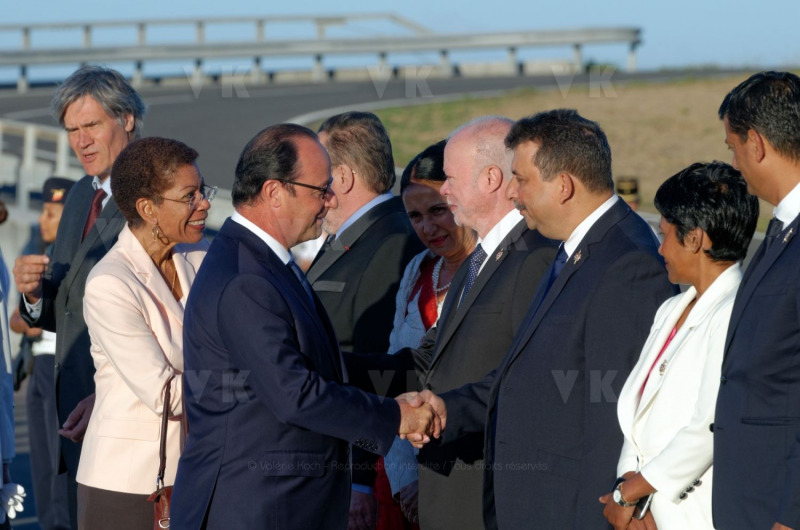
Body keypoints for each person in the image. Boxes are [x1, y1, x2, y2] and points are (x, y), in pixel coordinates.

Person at [405, 109, 676, 528]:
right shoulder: (572, 251)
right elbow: (525, 375)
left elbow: (615, 416)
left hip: (568, 510)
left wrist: (604, 510)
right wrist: (448, 409)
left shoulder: (625, 263)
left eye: (523, 180)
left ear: (563, 185)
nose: (513, 192)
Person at [171, 123, 441, 530]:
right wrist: (394, 417)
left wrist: (409, 372)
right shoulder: (247, 277)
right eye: (321, 189)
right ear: (275, 192)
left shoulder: (264, 261)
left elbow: (318, 367)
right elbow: (295, 393)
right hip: (258, 507)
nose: (330, 201)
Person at [11, 65, 145, 527]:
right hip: (74, 416)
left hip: (128, 420)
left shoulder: (155, 193)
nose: (81, 140)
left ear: (126, 119)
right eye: (72, 130)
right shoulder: (77, 200)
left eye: (91, 125)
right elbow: (63, 308)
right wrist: (33, 294)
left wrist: (109, 395)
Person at [408, 116, 557, 530]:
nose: (446, 189)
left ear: (491, 178)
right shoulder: (478, 258)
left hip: (487, 493)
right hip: (451, 485)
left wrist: (443, 412)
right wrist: (332, 369)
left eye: (451, 179)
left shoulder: (535, 257)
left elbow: (526, 380)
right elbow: (427, 361)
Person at [598, 162, 758, 530]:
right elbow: (640, 416)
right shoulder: (672, 308)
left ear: (696, 238)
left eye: (666, 234)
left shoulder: (736, 312)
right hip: (648, 511)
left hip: (696, 515)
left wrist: (630, 494)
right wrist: (629, 493)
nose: (660, 248)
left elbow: (710, 426)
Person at [75, 137, 211, 528]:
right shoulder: (110, 283)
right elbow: (164, 393)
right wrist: (255, 386)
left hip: (194, 472)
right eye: (190, 195)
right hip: (127, 486)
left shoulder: (202, 255)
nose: (204, 203)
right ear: (148, 209)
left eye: (203, 191)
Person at [306, 111, 424, 526]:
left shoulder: (393, 242)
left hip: (359, 475)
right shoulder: (345, 238)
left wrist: (358, 481)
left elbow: (383, 371)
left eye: (319, 173)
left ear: (343, 176)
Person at [713, 71, 800, 530]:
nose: (735, 162)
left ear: (757, 144)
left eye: (733, 146)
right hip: (750, 501)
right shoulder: (779, 232)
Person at [376, 140, 477, 528]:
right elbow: (395, 367)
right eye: (414, 216)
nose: (427, 227)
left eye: (438, 210)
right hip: (399, 463)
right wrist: (405, 478)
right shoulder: (418, 268)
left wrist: (429, 479)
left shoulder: (496, 270)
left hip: (459, 470)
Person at [9, 177, 75, 530]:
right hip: (38, 365)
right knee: (40, 464)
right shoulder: (37, 251)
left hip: (57, 364)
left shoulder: (69, 255)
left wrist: (31, 319)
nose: (43, 221)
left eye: (51, 213)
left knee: (57, 462)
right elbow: (18, 318)